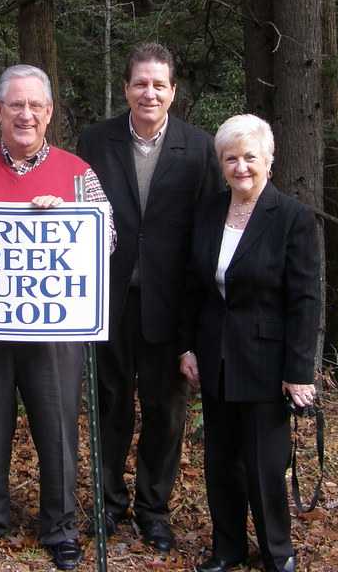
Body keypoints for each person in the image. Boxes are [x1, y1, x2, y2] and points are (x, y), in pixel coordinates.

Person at [0, 64, 113, 572]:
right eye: (14, 105)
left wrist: (67, 217)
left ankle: (60, 528)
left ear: (49, 113)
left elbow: (107, 241)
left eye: (35, 106)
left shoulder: (78, 171)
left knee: (58, 428)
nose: (25, 114)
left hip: (54, 331)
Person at [76, 42, 222, 551]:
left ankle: (153, 509)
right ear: (126, 88)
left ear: (173, 91)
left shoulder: (199, 148)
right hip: (109, 300)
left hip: (171, 303)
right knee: (110, 405)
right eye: (140, 83)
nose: (149, 92)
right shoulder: (94, 142)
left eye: (159, 84)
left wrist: (199, 321)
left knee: (166, 412)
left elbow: (207, 235)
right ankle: (110, 504)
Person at [179, 114, 320, 572]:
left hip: (266, 361)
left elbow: (305, 299)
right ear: (221, 163)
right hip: (214, 358)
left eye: (250, 157)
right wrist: (187, 347)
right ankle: (227, 549)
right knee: (221, 463)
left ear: (269, 161)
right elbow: (193, 288)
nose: (241, 167)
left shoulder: (293, 218)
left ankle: (279, 553)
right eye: (231, 158)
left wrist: (299, 373)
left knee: (264, 467)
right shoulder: (207, 211)